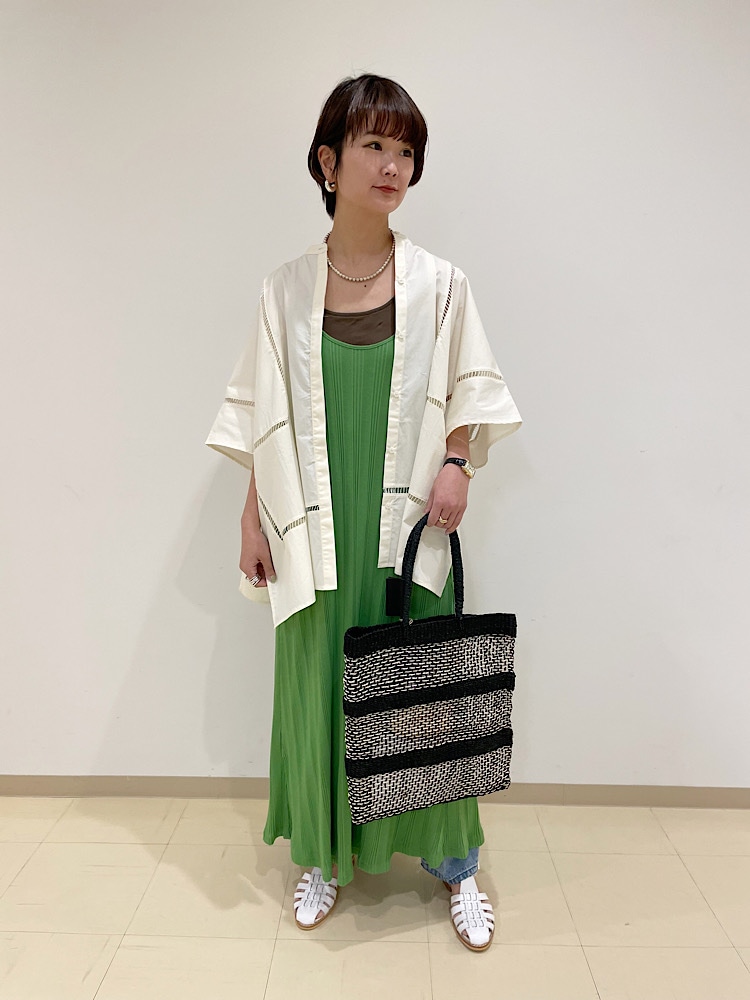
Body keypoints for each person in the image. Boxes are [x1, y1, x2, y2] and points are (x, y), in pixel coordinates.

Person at [206, 73, 522, 952]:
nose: (393, 165)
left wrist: (457, 461)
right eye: (374, 145)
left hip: (407, 520)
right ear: (328, 161)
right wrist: (250, 517)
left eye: (406, 150)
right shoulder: (283, 291)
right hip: (312, 522)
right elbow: (263, 419)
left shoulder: (441, 285)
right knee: (319, 679)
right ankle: (326, 852)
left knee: (424, 687)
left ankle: (456, 864)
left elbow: (466, 388)